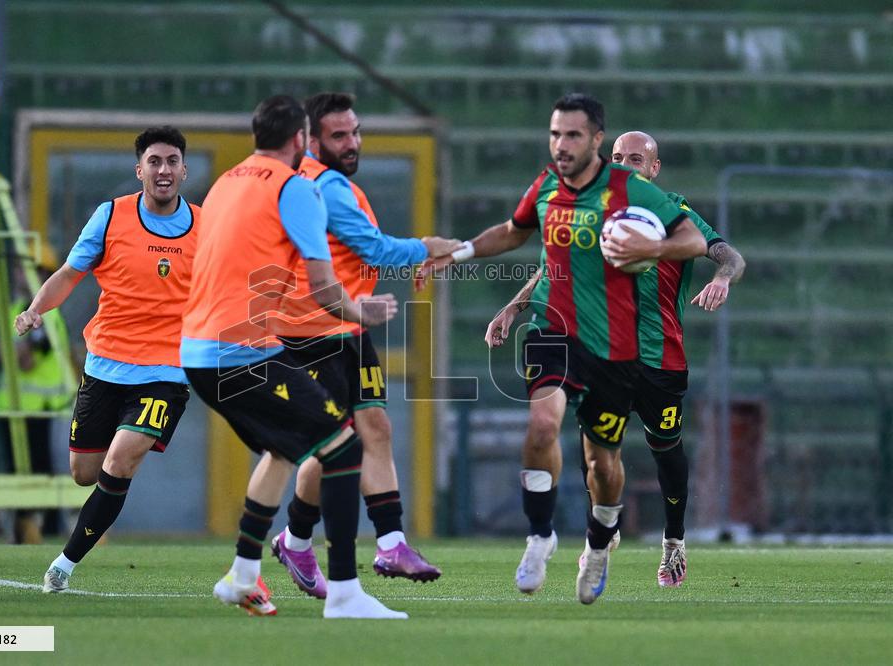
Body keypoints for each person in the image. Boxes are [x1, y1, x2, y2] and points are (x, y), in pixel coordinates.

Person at [418, 93, 708, 604]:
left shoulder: (631, 191)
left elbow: (694, 241)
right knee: (542, 424)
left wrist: (653, 247)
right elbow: (514, 234)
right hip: (554, 331)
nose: (561, 144)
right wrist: (459, 252)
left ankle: (599, 544)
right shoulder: (547, 186)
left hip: (612, 345)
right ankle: (540, 536)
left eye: (572, 134)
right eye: (555, 134)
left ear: (595, 139)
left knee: (602, 466)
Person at [485, 130, 746, 589]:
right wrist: (514, 307)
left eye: (636, 159)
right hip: (603, 350)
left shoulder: (675, 213)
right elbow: (554, 265)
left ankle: (674, 541)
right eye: (619, 156)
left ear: (655, 169)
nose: (625, 164)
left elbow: (730, 256)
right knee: (595, 449)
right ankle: (601, 533)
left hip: (660, 357)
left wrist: (722, 278)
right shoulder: (596, 210)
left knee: (667, 450)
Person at [180, 94, 407, 619]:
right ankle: (346, 595)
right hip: (241, 353)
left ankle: (242, 574)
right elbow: (325, 287)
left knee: (285, 451)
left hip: (200, 349)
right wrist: (363, 312)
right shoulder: (296, 188)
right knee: (344, 449)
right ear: (301, 139)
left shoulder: (226, 182)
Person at [256, 92, 455, 599]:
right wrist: (429, 248)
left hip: (347, 328)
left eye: (356, 131)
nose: (352, 142)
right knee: (328, 446)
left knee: (374, 430)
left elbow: (358, 252)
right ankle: (288, 545)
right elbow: (374, 248)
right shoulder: (320, 185)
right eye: (339, 135)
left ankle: (387, 543)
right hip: (309, 331)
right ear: (310, 139)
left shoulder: (326, 183)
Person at [15, 126, 198, 593]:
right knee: (85, 473)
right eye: (154, 161)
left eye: (172, 161)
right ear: (139, 170)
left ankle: (63, 565)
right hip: (106, 366)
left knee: (121, 460)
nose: (163, 170)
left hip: (166, 372)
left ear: (184, 170)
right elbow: (69, 274)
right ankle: (103, 499)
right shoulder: (110, 216)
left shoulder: (206, 226)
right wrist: (36, 309)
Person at [0, 252, 73, 544]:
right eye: (18, 268)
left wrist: (5, 352)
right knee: (17, 471)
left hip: (42, 409)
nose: (20, 275)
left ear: (45, 275)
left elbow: (24, 360)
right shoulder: (16, 309)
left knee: (42, 469)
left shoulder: (47, 315)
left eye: (29, 269)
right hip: (11, 407)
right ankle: (22, 529)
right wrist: (6, 352)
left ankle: (46, 529)